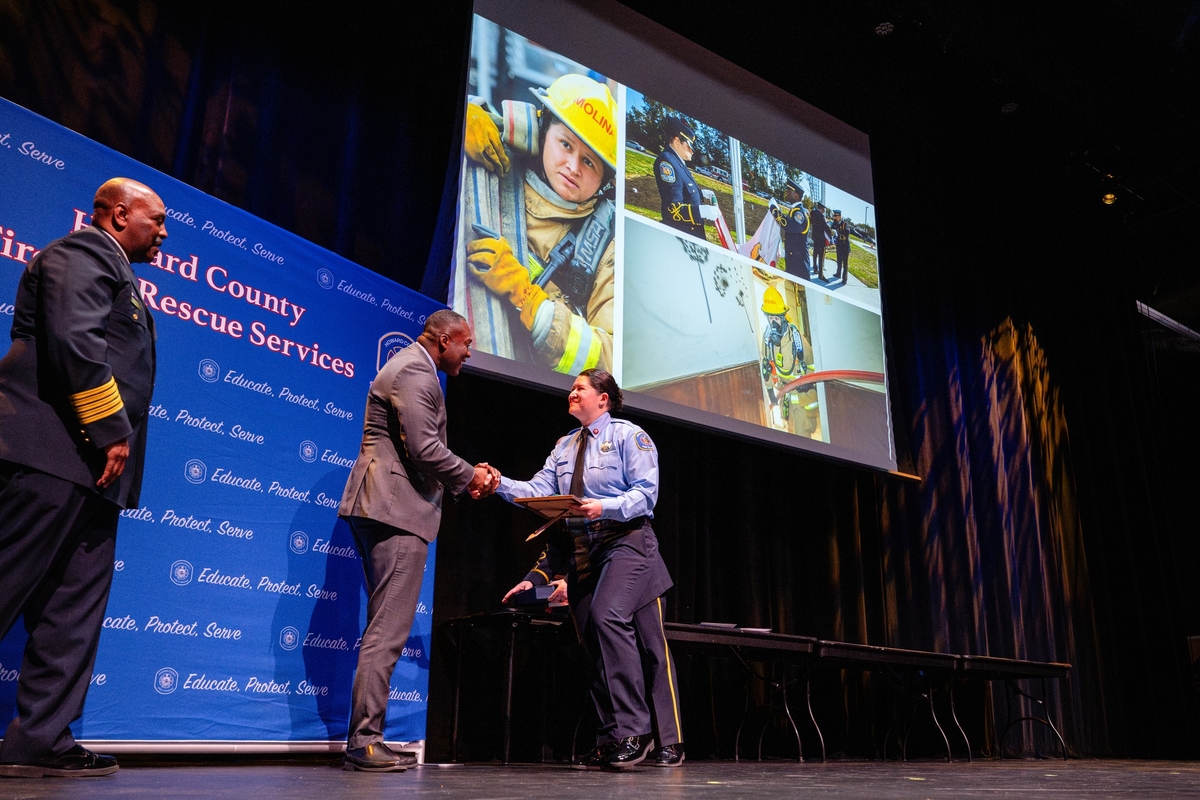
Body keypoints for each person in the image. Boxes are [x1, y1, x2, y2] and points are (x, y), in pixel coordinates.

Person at [0, 178, 164, 779]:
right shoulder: (83, 252)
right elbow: (74, 338)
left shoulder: (118, 272)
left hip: (95, 473)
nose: (165, 233)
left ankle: (39, 738)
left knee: (74, 609)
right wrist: (109, 427)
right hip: (54, 453)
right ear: (119, 215)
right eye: (157, 220)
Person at [337, 309, 498, 773]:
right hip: (394, 508)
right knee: (387, 631)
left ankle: (365, 738)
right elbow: (424, 448)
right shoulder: (413, 370)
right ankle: (365, 741)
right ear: (443, 339)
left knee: (383, 627)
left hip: (384, 505)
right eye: (465, 343)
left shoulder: (413, 368)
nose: (469, 352)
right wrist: (472, 477)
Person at [498, 370, 682, 770]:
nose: (571, 392)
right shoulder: (564, 446)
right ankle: (613, 736)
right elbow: (537, 490)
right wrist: (497, 482)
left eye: (580, 387)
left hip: (626, 541)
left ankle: (646, 733)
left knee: (617, 624)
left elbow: (646, 494)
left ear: (604, 399)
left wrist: (604, 506)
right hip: (586, 550)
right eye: (571, 387)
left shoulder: (628, 436)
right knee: (592, 642)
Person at [463, 74, 617, 374]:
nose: (573, 167)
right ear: (543, 132)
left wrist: (531, 302)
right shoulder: (486, 146)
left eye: (589, 162)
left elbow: (608, 364)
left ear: (604, 181)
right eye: (566, 144)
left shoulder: (604, 251)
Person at [653, 116, 717, 240]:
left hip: (692, 232)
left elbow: (685, 190)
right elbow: (672, 209)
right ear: (677, 141)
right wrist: (702, 212)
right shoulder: (667, 162)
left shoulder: (678, 161)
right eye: (689, 146)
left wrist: (701, 194)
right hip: (682, 234)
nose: (692, 151)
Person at [770, 178, 813, 280]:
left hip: (799, 267)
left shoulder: (800, 213)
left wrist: (775, 210)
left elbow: (789, 226)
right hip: (794, 262)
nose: (787, 193)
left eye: (789, 191)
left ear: (796, 195)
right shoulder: (794, 211)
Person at [830, 209, 858, 284]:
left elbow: (846, 234)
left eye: (836, 216)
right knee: (839, 261)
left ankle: (844, 279)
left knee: (845, 264)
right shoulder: (835, 224)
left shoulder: (845, 224)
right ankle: (838, 274)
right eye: (834, 216)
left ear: (840, 216)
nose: (834, 217)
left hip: (845, 246)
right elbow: (832, 228)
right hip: (839, 246)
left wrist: (838, 234)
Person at [810, 202, 831, 282]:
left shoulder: (813, 213)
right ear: (821, 208)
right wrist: (830, 233)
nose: (824, 211)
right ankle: (821, 275)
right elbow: (826, 227)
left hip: (815, 237)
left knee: (815, 254)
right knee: (821, 256)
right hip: (821, 239)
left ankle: (815, 268)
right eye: (824, 209)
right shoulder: (822, 217)